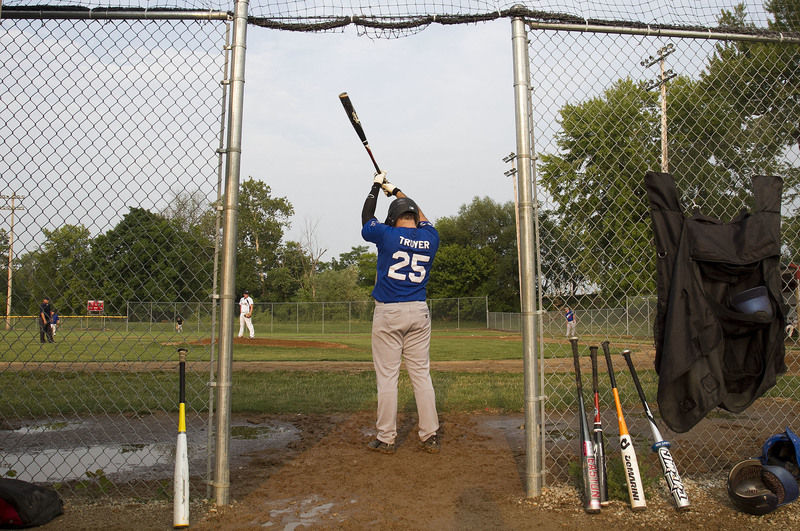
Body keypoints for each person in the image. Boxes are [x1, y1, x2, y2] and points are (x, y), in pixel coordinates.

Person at [360, 171, 441, 454]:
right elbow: (419, 212)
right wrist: (396, 190)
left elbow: (366, 219)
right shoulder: (431, 237)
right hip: (419, 311)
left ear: (393, 219)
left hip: (389, 314)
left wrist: (374, 186)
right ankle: (430, 435)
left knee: (388, 378)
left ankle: (386, 438)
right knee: (421, 375)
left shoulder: (387, 233)